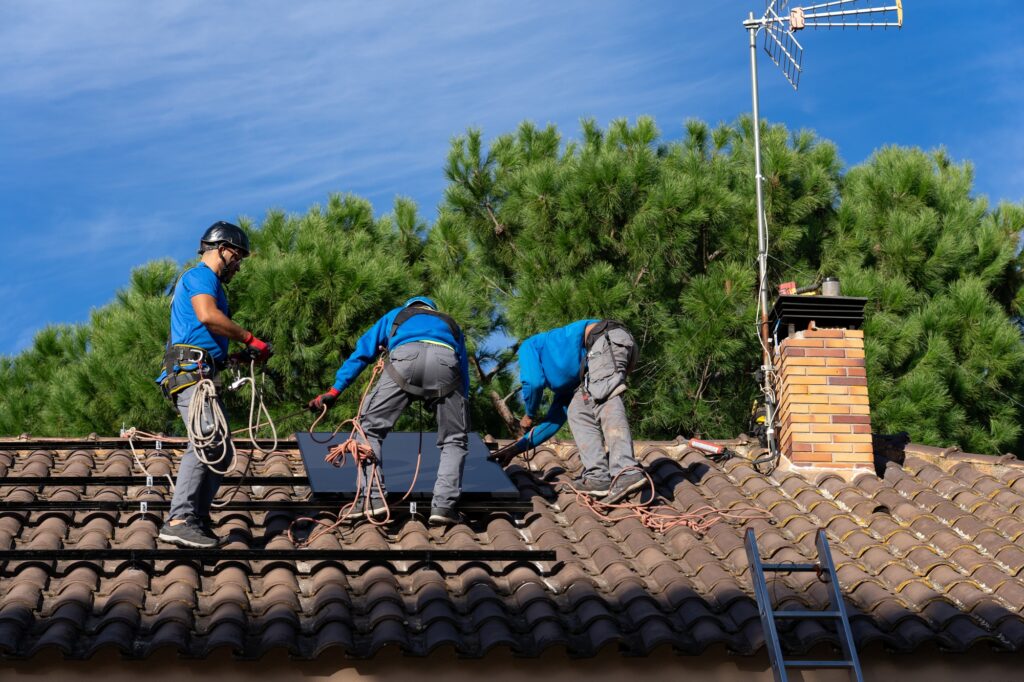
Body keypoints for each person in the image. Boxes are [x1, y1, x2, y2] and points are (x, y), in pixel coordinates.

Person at [156, 221, 272, 549]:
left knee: (220, 451)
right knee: (207, 438)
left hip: (204, 368)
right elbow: (207, 316)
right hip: (190, 370)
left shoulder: (211, 283)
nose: (238, 264)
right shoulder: (200, 276)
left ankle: (196, 519)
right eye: (236, 256)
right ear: (221, 249)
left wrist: (232, 358)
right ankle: (179, 519)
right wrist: (250, 339)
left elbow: (204, 331)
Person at [308, 296, 470, 525]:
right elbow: (463, 369)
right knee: (454, 439)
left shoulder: (396, 316)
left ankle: (372, 499)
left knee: (368, 429)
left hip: (404, 360)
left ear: (410, 307)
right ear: (432, 310)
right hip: (447, 364)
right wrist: (460, 405)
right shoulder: (449, 323)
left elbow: (362, 353)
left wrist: (335, 392)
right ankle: (444, 507)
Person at [495, 319, 644, 503]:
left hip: (607, 339)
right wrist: (516, 449)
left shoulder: (529, 345)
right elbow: (553, 422)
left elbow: (533, 383)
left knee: (605, 396)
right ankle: (598, 478)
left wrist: (529, 414)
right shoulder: (569, 383)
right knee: (577, 412)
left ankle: (626, 470)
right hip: (602, 355)